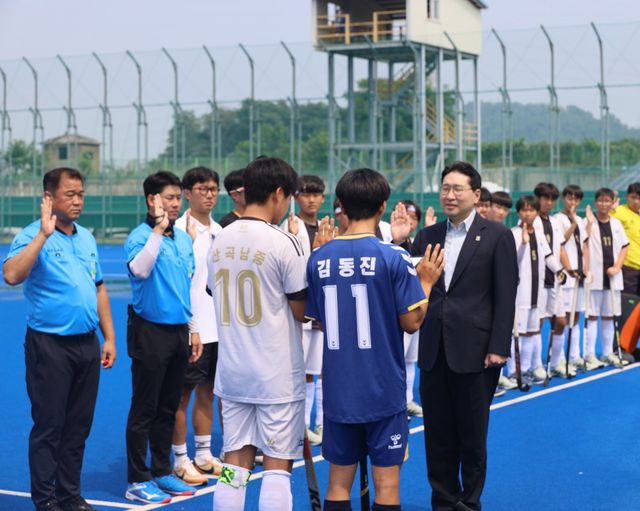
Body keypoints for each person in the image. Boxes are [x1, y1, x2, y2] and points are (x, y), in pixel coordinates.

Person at [305, 168, 442, 511]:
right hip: (382, 389)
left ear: (341, 205)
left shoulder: (319, 258)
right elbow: (412, 322)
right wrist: (426, 282)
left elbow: (317, 320)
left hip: (338, 389)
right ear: (383, 206)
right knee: (387, 484)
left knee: (337, 483)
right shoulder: (393, 256)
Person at [3, 167, 116, 511]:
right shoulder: (32, 235)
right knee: (50, 426)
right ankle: (46, 499)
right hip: (49, 346)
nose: (78, 200)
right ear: (49, 198)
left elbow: (98, 288)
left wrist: (109, 337)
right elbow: (11, 275)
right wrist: (43, 234)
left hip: (86, 344)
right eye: (70, 194)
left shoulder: (87, 238)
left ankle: (70, 495)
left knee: (78, 426)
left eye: (81, 194)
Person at [409, 161, 518, 511]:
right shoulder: (426, 236)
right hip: (433, 348)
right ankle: (443, 500)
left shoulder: (497, 235)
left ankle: (469, 501)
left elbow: (505, 295)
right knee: (437, 434)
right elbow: (413, 287)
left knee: (472, 435)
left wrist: (498, 346)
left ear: (476, 194)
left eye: (457, 189)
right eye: (445, 188)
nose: (450, 195)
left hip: (477, 351)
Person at [211, 156, 312, 511]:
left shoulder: (220, 239)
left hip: (233, 372)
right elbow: (302, 311)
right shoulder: (283, 242)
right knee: (278, 467)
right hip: (275, 375)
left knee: (234, 465)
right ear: (279, 193)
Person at [124, 171, 202, 504]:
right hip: (149, 331)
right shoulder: (140, 236)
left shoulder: (183, 239)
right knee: (145, 407)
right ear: (151, 200)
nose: (175, 203)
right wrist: (157, 231)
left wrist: (193, 327)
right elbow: (140, 270)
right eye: (169, 197)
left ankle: (161, 470)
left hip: (178, 331)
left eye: (177, 198)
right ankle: (136, 479)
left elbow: (187, 286)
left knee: (168, 406)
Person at [171, 167, 224, 486]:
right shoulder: (178, 231)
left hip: (218, 328)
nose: (209, 194)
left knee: (209, 392)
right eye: (202, 189)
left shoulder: (220, 231)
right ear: (187, 193)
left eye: (213, 189)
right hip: (191, 328)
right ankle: (180, 459)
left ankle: (204, 455)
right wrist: (191, 327)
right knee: (182, 395)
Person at [282, 174, 327, 445]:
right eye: (306, 194)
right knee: (299, 372)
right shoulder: (291, 227)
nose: (311, 199)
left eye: (316, 194)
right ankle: (297, 427)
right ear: (296, 197)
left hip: (319, 311)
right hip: (300, 311)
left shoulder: (325, 227)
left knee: (318, 370)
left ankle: (317, 424)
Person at [510, 196, 553, 384]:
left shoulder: (540, 233)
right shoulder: (514, 234)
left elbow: (548, 256)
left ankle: (526, 369)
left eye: (532, 210)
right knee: (517, 332)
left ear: (536, 212)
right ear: (519, 212)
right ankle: (514, 371)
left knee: (532, 330)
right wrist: (524, 243)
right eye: (524, 210)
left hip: (537, 290)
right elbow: (515, 260)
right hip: (521, 292)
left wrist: (561, 272)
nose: (528, 214)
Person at [584, 188, 629, 367]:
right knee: (592, 316)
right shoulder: (589, 221)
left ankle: (607, 353)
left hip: (612, 278)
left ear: (612, 203)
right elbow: (584, 244)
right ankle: (589, 355)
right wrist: (586, 270)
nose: (604, 204)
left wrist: (617, 267)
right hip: (594, 278)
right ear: (596, 202)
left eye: (607, 201)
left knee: (610, 317)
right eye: (601, 201)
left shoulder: (616, 224)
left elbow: (624, 246)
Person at [552, 185, 589, 377]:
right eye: (569, 198)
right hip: (566, 275)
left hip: (579, 275)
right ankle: (557, 357)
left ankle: (574, 355)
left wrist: (586, 268)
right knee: (562, 318)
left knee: (575, 316)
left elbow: (584, 246)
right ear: (563, 199)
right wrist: (573, 223)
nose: (572, 202)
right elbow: (561, 242)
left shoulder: (581, 220)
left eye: (576, 199)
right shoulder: (557, 219)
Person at [533, 182, 567, 379]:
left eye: (552, 199)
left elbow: (560, 249)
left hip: (554, 279)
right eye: (545, 198)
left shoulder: (554, 222)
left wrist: (567, 270)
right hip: (537, 281)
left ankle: (554, 363)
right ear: (537, 198)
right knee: (536, 324)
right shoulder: (531, 220)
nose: (549, 202)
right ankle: (535, 365)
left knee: (561, 321)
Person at [397, 200, 425, 417]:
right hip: (399, 311)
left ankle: (407, 400)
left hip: (417, 308)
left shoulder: (419, 241)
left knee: (410, 359)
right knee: (398, 358)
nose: (410, 221)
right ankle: (397, 403)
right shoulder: (390, 241)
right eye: (405, 216)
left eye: (414, 218)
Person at [610, 182, 640, 295]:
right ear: (627, 196)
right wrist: (610, 209)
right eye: (633, 197)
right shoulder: (619, 211)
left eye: (639, 198)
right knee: (629, 301)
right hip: (628, 268)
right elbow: (604, 222)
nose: (636, 201)